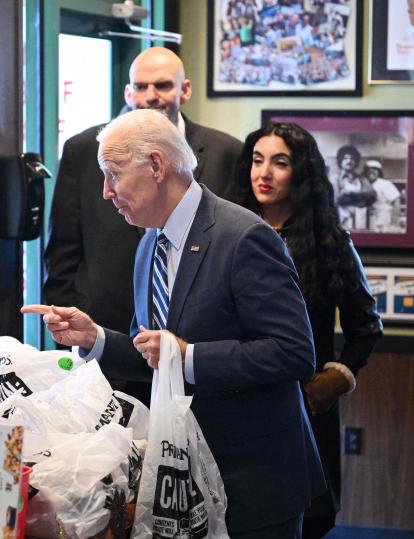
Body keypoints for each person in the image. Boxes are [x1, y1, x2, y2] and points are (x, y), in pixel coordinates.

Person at [24, 109, 325, 538]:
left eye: (112, 174)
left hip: (252, 480)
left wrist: (191, 357)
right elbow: (154, 350)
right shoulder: (150, 241)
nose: (106, 192)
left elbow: (294, 353)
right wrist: (96, 339)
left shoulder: (243, 237)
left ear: (157, 166)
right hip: (184, 480)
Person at [44, 47, 242, 402]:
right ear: (127, 92)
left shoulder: (227, 153)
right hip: (112, 344)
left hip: (205, 364)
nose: (151, 95)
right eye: (141, 86)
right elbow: (63, 251)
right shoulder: (86, 149)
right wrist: (82, 332)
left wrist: (191, 354)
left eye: (163, 85)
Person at [227, 122, 383, 538]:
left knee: (305, 520)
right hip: (232, 402)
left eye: (280, 163)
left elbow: (365, 326)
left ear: (302, 173)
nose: (264, 173)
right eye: (257, 161)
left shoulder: (331, 240)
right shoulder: (225, 235)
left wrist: (337, 378)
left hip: (302, 408)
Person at [333, 145, 375, 230]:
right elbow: (336, 199)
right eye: (345, 158)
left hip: (361, 219)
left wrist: (349, 196)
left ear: (356, 161)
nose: (349, 161)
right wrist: (360, 198)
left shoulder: (362, 179)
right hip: (342, 219)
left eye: (352, 158)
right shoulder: (335, 179)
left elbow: (372, 195)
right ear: (340, 161)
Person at [364, 159, 402, 232]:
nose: (371, 171)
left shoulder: (385, 184)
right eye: (368, 169)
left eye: (374, 169)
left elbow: (396, 202)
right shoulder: (363, 184)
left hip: (384, 223)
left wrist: (395, 223)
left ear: (379, 172)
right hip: (368, 223)